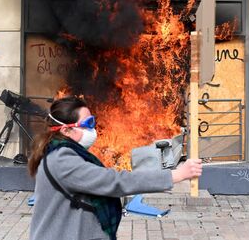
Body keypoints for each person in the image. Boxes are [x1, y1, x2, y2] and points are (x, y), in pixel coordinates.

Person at [28, 96, 203, 240]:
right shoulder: (62, 161)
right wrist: (175, 175)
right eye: (88, 124)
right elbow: (115, 182)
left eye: (93, 121)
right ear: (66, 130)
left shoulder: (62, 152)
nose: (93, 129)